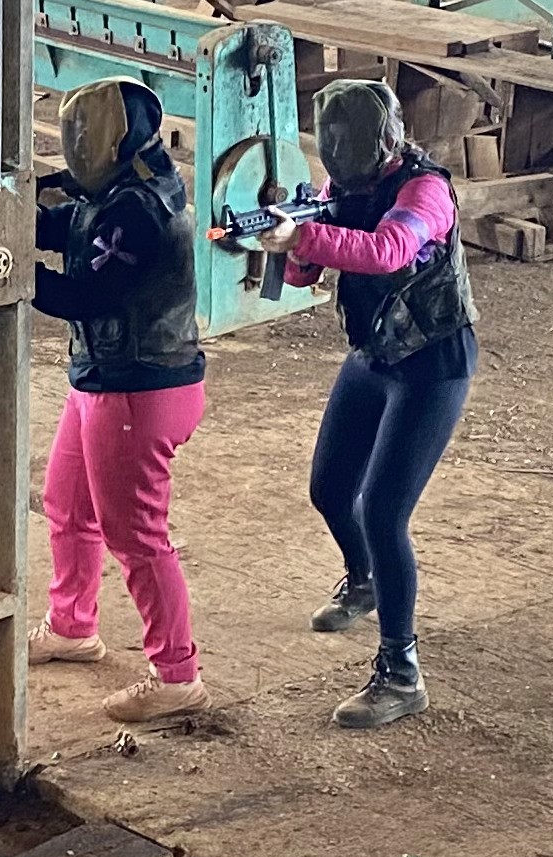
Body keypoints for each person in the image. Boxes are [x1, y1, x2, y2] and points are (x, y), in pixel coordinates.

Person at [253, 78, 476, 729]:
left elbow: (387, 251)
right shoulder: (342, 186)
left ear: (384, 140)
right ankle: (364, 580)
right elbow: (309, 270)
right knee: (329, 489)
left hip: (432, 361)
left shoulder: (424, 190)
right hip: (375, 353)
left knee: (382, 513)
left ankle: (401, 672)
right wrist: (287, 238)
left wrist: (303, 239)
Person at [30, 80, 210, 722]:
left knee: (135, 537)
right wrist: (12, 212)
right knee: (67, 504)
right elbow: (67, 225)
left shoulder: (139, 210)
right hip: (104, 380)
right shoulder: (113, 193)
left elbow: (87, 296)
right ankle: (71, 625)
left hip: (141, 389)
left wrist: (7, 268)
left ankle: (177, 674)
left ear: (116, 143)